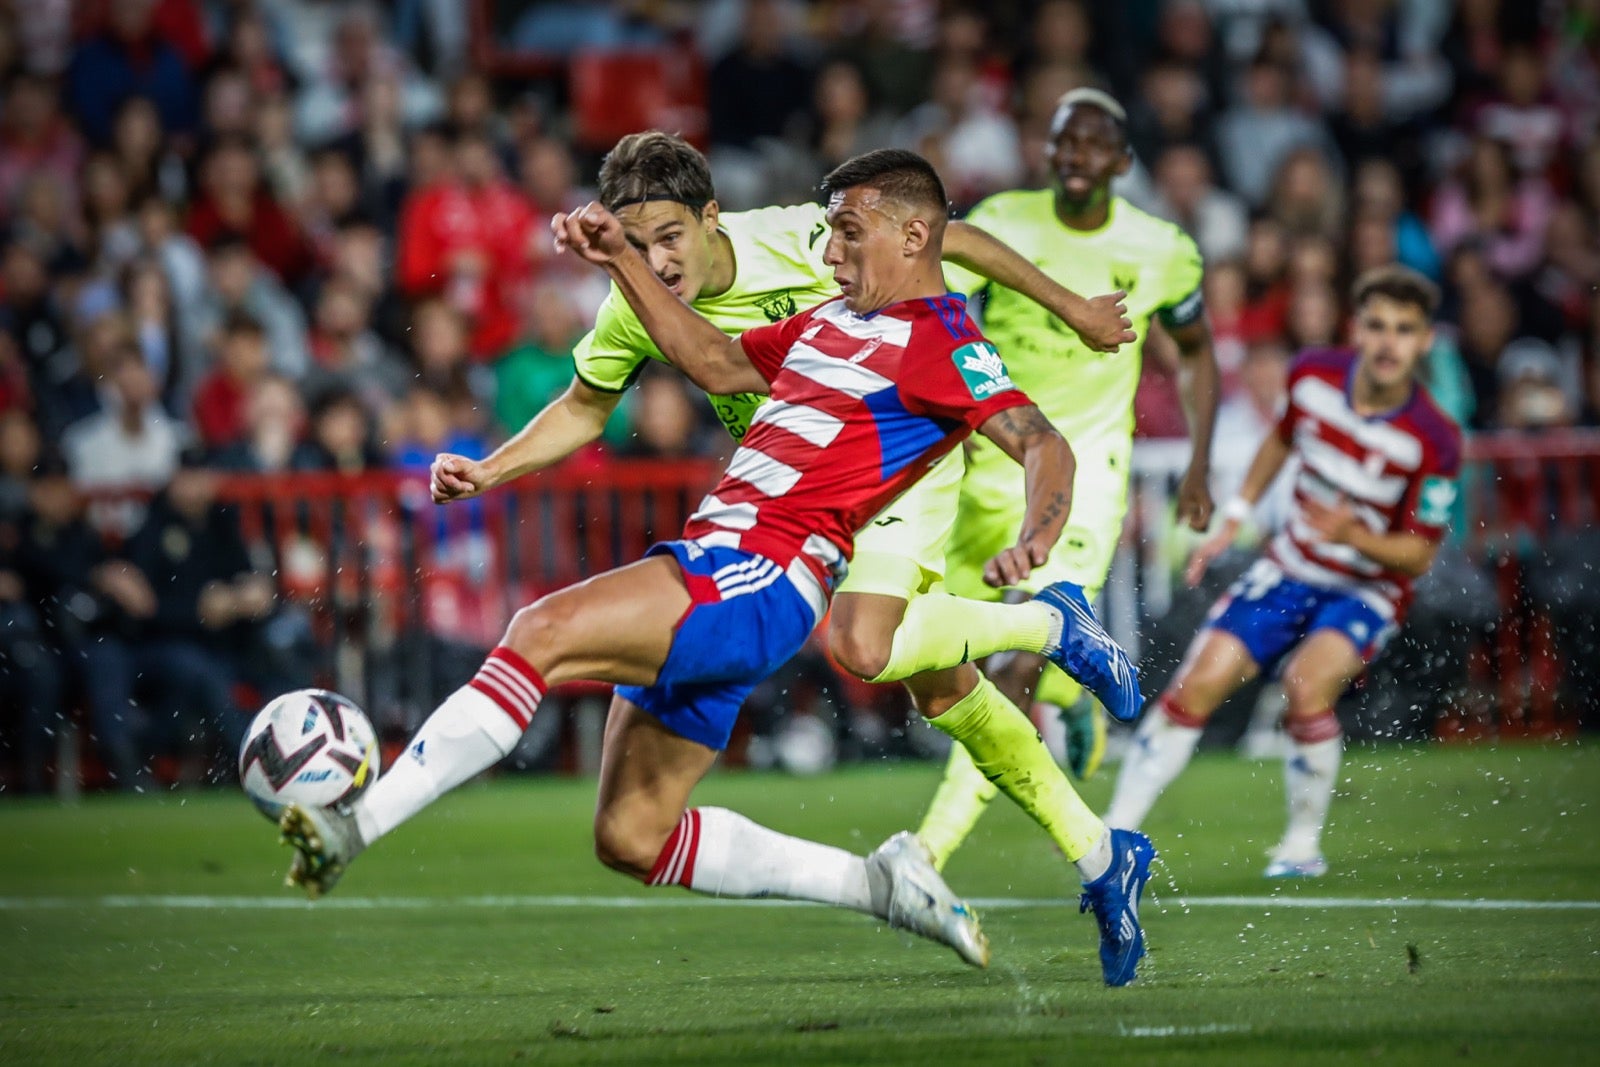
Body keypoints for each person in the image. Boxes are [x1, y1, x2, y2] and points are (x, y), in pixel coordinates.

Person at [279, 150, 1154, 986]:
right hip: (723, 559)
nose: (833, 250)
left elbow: (1040, 439)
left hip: (766, 566)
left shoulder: (940, 341)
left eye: (849, 235)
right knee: (631, 835)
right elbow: (710, 359)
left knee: (543, 631)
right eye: (835, 233)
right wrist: (622, 261)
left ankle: (358, 828)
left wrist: (1041, 528)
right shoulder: (824, 321)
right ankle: (885, 884)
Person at [915, 88, 1219, 866]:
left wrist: (1198, 461)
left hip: (1081, 472)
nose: (1076, 156)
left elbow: (1197, 354)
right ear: (1046, 151)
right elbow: (944, 322)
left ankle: (924, 855)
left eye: (1094, 144)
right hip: (986, 461)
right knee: (946, 667)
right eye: (1063, 141)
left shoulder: (1162, 247)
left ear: (1121, 160)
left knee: (1012, 666)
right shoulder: (1004, 224)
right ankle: (1066, 694)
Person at [1103, 265, 1463, 878]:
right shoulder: (1313, 375)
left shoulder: (1434, 438)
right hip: (1287, 567)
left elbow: (1420, 554)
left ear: (1424, 341)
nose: (1386, 342)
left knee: (1305, 685)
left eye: (1403, 330)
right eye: (1376, 325)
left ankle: (1300, 847)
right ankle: (1110, 838)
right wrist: (1234, 516)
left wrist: (1351, 535)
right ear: (1355, 328)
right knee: (1195, 685)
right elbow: (1281, 440)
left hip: (1363, 591)